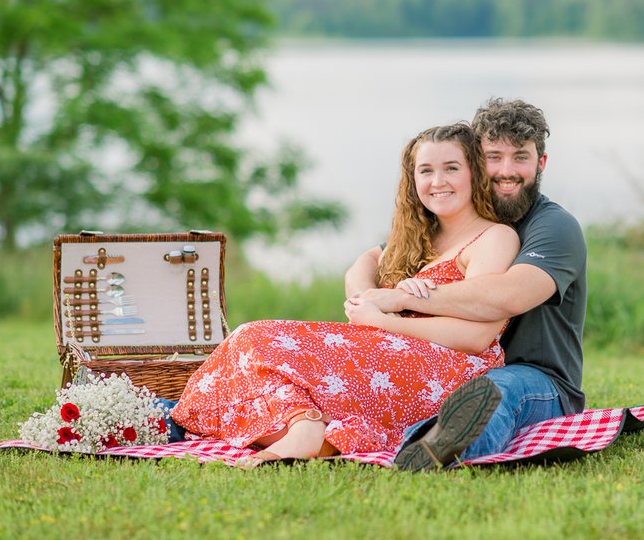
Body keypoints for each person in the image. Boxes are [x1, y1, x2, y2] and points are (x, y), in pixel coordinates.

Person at [169, 123, 520, 465]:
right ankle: (306, 427)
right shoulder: (419, 238)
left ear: (474, 173)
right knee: (248, 343)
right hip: (392, 351)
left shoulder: (493, 237)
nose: (438, 181)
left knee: (257, 341)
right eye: (426, 170)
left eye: (451, 168)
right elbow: (364, 262)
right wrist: (369, 297)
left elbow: (477, 337)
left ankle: (306, 429)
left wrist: (384, 321)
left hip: (446, 368)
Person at [345, 98, 586, 471]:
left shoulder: (553, 228)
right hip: (454, 363)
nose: (507, 170)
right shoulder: (457, 221)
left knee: (495, 392)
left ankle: (448, 451)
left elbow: (510, 296)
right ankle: (407, 440)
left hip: (535, 377)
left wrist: (401, 297)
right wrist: (364, 302)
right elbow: (369, 259)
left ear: (541, 163)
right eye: (494, 157)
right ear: (475, 161)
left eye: (520, 157)